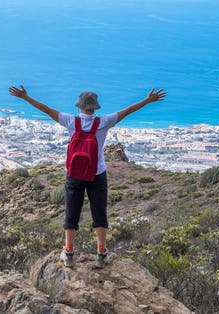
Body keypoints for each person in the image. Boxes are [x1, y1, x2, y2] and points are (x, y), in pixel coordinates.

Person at [9, 85, 166, 268]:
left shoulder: (70, 121)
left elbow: (46, 109)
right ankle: (100, 253)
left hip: (74, 174)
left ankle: (68, 253)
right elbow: (128, 111)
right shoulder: (104, 122)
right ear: (95, 107)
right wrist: (148, 100)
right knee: (99, 213)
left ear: (80, 106)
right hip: (97, 173)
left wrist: (25, 97)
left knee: (71, 212)